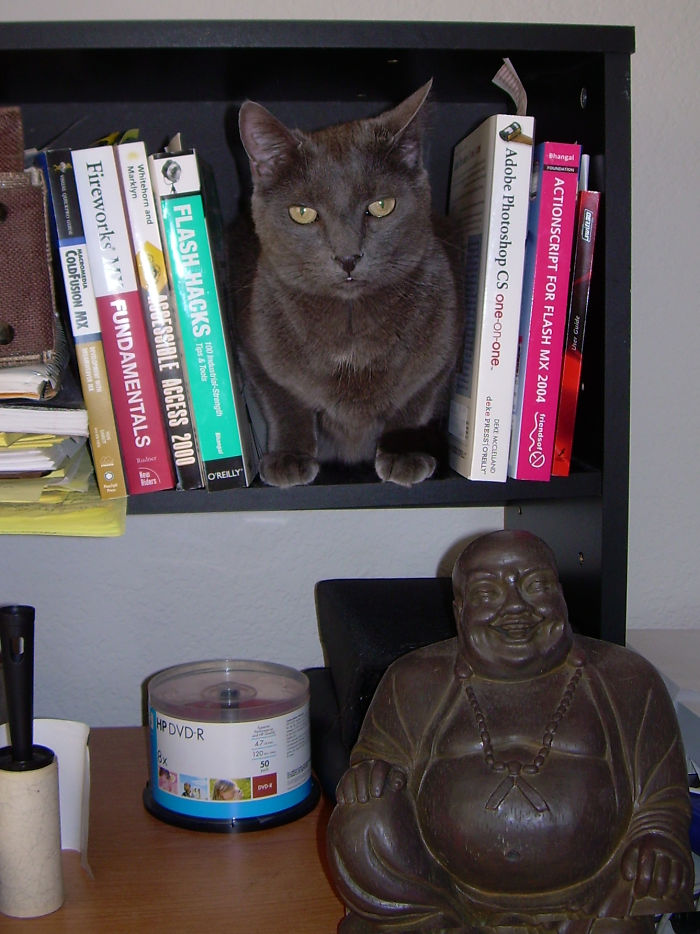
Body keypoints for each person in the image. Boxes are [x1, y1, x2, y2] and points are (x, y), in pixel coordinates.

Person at [327, 530, 694, 933]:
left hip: (591, 899)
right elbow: (379, 760)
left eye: (536, 586)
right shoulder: (414, 680)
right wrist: (370, 776)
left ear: (562, 596)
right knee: (361, 819)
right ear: (459, 609)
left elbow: (661, 797)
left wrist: (658, 840)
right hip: (446, 897)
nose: (516, 607)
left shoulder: (625, 677)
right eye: (488, 592)